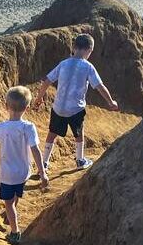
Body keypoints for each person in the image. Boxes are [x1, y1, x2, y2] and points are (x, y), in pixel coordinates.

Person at [33, 33, 119, 171]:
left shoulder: (63, 64)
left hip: (58, 107)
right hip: (75, 109)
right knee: (79, 133)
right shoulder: (88, 67)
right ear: (89, 50)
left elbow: (47, 81)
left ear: (74, 47)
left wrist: (39, 97)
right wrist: (110, 101)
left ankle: (44, 163)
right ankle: (80, 160)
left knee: (52, 133)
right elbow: (99, 86)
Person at [0, 86, 48, 245]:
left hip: (7, 174)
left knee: (8, 203)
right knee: (15, 195)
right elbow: (35, 150)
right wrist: (42, 173)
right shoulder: (29, 127)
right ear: (27, 108)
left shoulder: (1, 127)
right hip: (23, 172)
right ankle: (9, 217)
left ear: (6, 106)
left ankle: (15, 233)